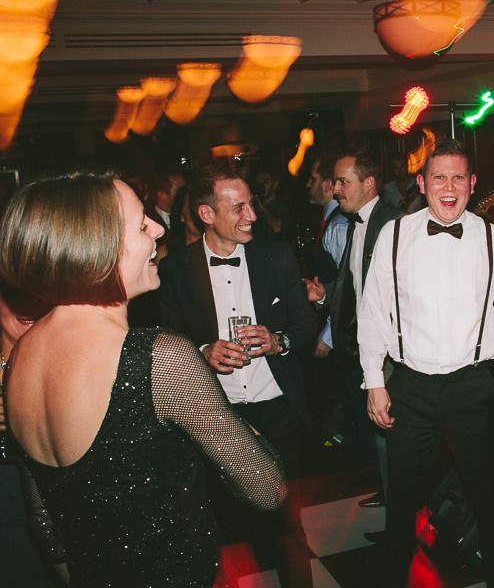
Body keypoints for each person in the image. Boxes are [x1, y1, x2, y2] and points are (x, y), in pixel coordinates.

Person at [0, 170, 286, 587]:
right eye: (140, 225)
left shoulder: (22, 354)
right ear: (96, 248)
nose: (157, 228)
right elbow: (267, 488)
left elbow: (46, 525)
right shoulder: (157, 358)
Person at [359, 139, 494, 587]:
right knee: (402, 504)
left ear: (472, 185)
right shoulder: (394, 235)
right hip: (411, 389)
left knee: (488, 499)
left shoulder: (493, 239)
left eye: (459, 177)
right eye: (439, 176)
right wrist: (374, 381)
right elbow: (373, 311)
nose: (449, 186)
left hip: (473, 389)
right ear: (422, 183)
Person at [157, 164, 317, 476]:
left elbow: (306, 324)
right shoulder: (176, 270)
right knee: (233, 514)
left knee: (287, 509)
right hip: (217, 413)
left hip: (278, 408)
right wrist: (203, 351)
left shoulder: (277, 255)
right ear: (207, 214)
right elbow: (166, 342)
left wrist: (277, 341)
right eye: (239, 208)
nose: (252, 216)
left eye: (252, 205)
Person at [305, 148, 398, 508]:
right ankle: (394, 502)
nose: (336, 188)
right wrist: (323, 295)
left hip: (388, 349)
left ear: (369, 183)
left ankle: (400, 511)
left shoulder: (390, 224)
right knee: (379, 431)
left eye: (343, 181)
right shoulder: (357, 222)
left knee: (387, 431)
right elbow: (356, 286)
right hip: (363, 347)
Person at [0, 292, 59, 587]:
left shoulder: (70, 360)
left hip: (56, 496)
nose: (29, 306)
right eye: (14, 295)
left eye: (38, 294)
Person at [307, 152, 348, 358]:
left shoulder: (338, 225)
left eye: (313, 179)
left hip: (342, 332)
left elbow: (351, 284)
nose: (308, 184)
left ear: (327, 185)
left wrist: (328, 334)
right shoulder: (331, 221)